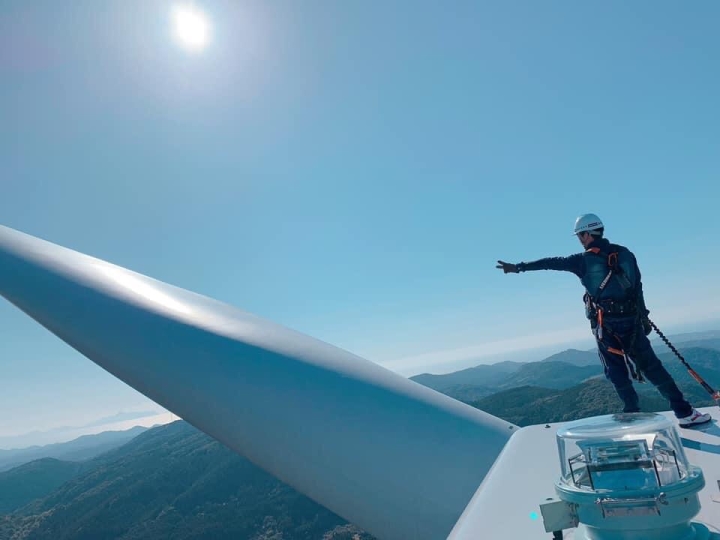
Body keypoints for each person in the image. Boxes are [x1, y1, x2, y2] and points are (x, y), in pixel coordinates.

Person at [496, 213, 711, 428]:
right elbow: (638, 287)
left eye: (580, 235)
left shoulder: (582, 261)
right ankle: (684, 412)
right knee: (653, 368)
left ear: (587, 234)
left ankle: (632, 413)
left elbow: (551, 263)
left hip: (605, 325)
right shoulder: (626, 254)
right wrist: (643, 316)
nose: (580, 240)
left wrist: (518, 267)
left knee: (616, 370)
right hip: (632, 321)